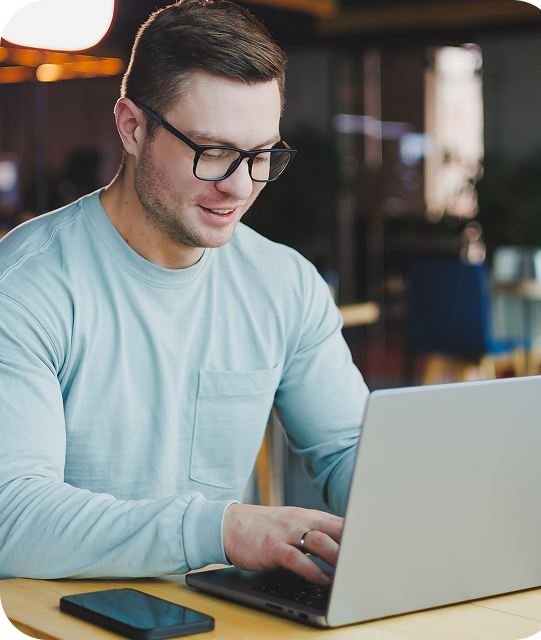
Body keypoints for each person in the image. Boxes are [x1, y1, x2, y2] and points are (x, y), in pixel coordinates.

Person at [0, 0, 369, 586]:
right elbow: (12, 520)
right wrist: (223, 530)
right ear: (132, 127)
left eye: (260, 154)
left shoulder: (285, 284)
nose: (240, 186)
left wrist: (426, 506)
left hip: (214, 614)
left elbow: (349, 450)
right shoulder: (24, 289)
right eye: (214, 152)